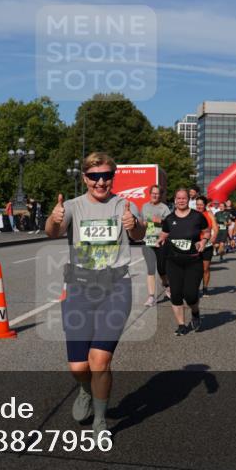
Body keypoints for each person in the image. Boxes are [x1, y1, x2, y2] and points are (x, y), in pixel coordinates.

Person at [45, 152, 145, 436]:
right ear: (84, 178)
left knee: (99, 361)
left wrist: (134, 225)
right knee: (78, 366)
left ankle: (100, 421)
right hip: (79, 288)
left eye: (106, 176)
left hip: (116, 288)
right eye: (94, 177)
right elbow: (52, 233)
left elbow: (139, 234)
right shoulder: (73, 207)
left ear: (113, 177)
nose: (100, 182)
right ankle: (85, 390)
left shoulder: (126, 205)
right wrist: (54, 219)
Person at [158, 188, 209, 335]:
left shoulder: (197, 217)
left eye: (184, 198)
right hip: (173, 261)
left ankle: (195, 312)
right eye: (178, 198)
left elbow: (206, 231)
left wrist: (203, 241)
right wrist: (160, 239)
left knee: (191, 294)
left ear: (188, 200)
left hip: (193, 261)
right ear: (175, 200)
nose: (181, 201)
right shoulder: (169, 218)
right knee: (176, 293)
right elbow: (165, 232)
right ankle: (181, 325)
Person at [141, 185, 171, 307]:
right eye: (153, 193)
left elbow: (169, 225)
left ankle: (167, 285)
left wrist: (160, 221)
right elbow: (142, 222)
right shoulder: (144, 206)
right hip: (147, 241)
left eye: (157, 194)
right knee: (150, 269)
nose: (155, 195)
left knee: (162, 269)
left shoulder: (164, 208)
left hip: (160, 241)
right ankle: (151, 297)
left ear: (160, 195)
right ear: (150, 194)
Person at [195, 197, 217, 297]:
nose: (199, 206)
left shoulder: (209, 214)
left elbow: (216, 228)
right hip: (196, 245)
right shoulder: (193, 214)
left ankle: (205, 288)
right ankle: (194, 288)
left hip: (207, 245)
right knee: (195, 268)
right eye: (197, 204)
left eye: (201, 204)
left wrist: (213, 238)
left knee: (205, 268)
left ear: (205, 205)